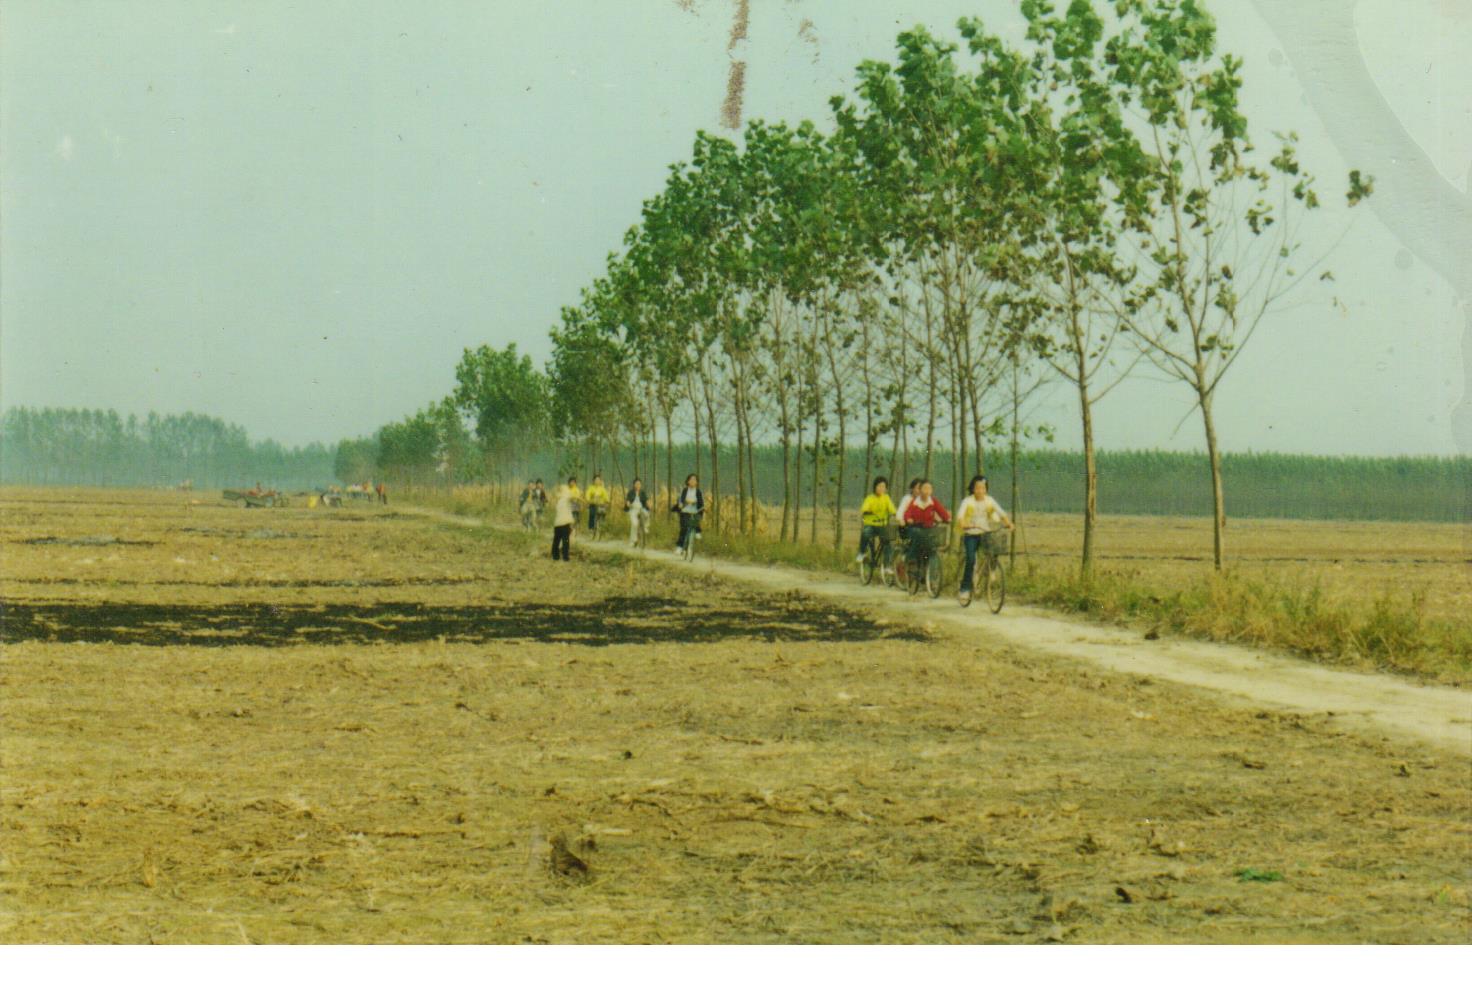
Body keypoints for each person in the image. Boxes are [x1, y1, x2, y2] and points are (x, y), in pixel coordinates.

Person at [955, 474, 1015, 602]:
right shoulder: (968, 501)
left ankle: (990, 573)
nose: (980, 491)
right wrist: (964, 524)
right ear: (973, 489)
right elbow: (960, 517)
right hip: (971, 534)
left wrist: (1008, 523)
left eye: (983, 488)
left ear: (986, 489)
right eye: (977, 488)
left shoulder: (989, 500)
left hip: (985, 533)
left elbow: (1001, 513)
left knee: (994, 550)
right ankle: (965, 589)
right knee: (970, 559)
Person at [902, 478, 951, 570]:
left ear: (932, 491)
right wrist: (908, 519)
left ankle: (927, 571)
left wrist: (947, 518)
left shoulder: (933, 502)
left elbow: (942, 511)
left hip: (928, 528)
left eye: (929, 489)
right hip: (915, 527)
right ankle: (910, 558)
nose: (927, 491)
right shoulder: (915, 502)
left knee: (930, 546)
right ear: (920, 490)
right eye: (925, 488)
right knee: (917, 536)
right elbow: (907, 512)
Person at [855, 477, 897, 571]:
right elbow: (864, 508)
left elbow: (892, 508)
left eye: (883, 487)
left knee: (889, 543)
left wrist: (895, 513)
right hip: (871, 525)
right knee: (865, 533)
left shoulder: (886, 498)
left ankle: (887, 565)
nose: (881, 488)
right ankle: (862, 553)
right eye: (879, 486)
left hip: (883, 525)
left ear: (886, 488)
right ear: (875, 487)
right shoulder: (870, 498)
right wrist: (867, 511)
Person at [550, 477, 583, 561]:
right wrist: (583, 501)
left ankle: (555, 555)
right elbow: (575, 497)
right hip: (565, 522)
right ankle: (565, 556)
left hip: (558, 523)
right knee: (565, 540)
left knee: (556, 540)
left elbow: (555, 494)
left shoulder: (559, 499)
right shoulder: (567, 497)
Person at [672, 473, 704, 555]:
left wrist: (695, 502)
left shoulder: (698, 492)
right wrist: (681, 504)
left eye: (695, 480)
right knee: (684, 528)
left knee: (696, 519)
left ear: (697, 482)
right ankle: (679, 547)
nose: (693, 481)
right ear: (688, 481)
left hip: (695, 511)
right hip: (685, 511)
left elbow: (701, 503)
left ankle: (697, 531)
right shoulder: (685, 490)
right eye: (691, 480)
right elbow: (681, 500)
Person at [625, 477, 651, 547]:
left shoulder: (643, 492)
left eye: (639, 484)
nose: (638, 485)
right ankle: (633, 540)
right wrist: (628, 504)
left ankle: (645, 526)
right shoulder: (631, 492)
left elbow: (647, 500)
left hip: (641, 508)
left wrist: (649, 504)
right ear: (634, 485)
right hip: (633, 509)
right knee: (634, 524)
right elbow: (628, 500)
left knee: (646, 514)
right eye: (636, 484)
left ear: (641, 485)